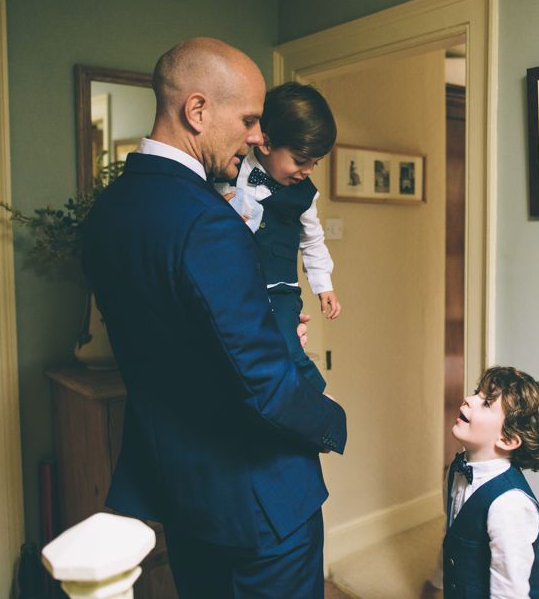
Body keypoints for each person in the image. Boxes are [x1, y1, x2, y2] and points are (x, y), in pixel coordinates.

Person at [82, 37, 347, 599]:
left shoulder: (110, 210)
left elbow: (175, 337)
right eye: (250, 119)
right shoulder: (208, 222)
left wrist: (268, 327)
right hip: (259, 503)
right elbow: (263, 385)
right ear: (197, 110)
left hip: (181, 494)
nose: (258, 136)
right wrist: (330, 421)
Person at [215, 81, 340, 392]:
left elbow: (313, 240)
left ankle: (315, 399)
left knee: (287, 348)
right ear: (266, 143)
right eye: (300, 160)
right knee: (242, 355)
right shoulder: (227, 172)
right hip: (236, 286)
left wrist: (323, 285)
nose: (308, 171)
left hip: (281, 288)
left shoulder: (305, 196)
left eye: (315, 162)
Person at [437, 366, 539, 599]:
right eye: (477, 392)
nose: (468, 399)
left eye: (486, 402)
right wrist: (438, 580)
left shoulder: (509, 503)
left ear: (507, 439)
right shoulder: (456, 470)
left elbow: (509, 592)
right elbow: (453, 536)